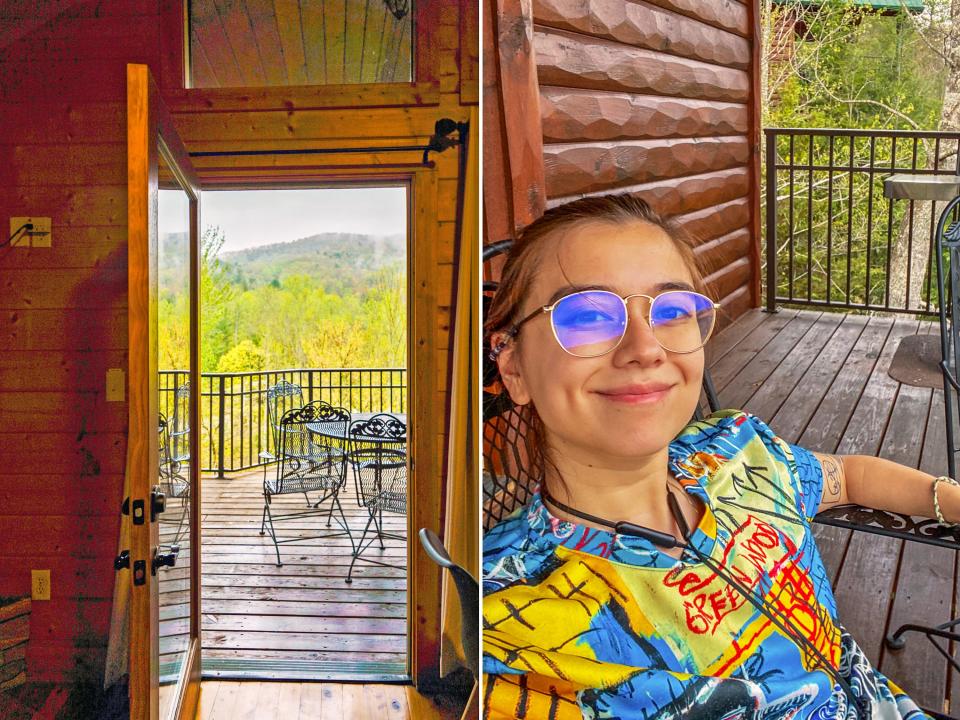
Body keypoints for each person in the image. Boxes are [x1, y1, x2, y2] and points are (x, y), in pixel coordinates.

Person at [482, 193, 951, 720]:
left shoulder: (737, 449)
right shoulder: (511, 621)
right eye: (587, 317)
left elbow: (848, 476)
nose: (645, 346)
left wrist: (949, 499)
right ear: (514, 367)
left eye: (673, 310)